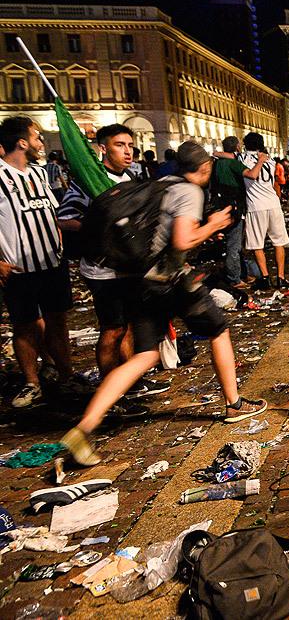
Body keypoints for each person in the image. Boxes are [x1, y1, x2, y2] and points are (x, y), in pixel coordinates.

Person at [60, 141, 267, 466]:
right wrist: (212, 226)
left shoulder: (160, 184)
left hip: (139, 281)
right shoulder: (190, 191)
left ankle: (84, 427)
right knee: (219, 330)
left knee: (144, 355)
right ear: (204, 169)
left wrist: (200, 230)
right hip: (169, 281)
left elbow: (164, 230)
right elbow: (181, 240)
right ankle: (234, 405)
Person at [56, 124, 168, 398]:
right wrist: (99, 228)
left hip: (128, 268)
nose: (128, 151)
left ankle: (129, 381)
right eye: (120, 145)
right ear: (103, 148)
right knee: (112, 329)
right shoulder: (89, 180)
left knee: (128, 326)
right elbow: (64, 217)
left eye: (130, 145)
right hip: (101, 271)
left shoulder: (129, 177)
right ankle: (109, 390)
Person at [0, 116, 80, 407]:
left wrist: (60, 244)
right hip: (19, 266)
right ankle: (31, 383)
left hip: (52, 262)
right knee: (24, 326)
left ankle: (66, 377)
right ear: (22, 142)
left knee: (58, 322)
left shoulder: (39, 173)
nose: (40, 143)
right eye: (36, 137)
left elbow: (52, 212)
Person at [240, 132, 289, 290]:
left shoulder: (242, 158)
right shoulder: (269, 159)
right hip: (273, 203)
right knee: (279, 242)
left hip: (256, 206)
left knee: (257, 244)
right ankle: (281, 277)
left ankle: (265, 277)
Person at [210, 136, 250, 288]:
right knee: (234, 244)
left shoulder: (217, 164)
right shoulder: (234, 163)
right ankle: (234, 279)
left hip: (221, 206)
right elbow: (250, 175)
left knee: (234, 243)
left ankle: (242, 274)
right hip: (235, 207)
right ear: (237, 148)